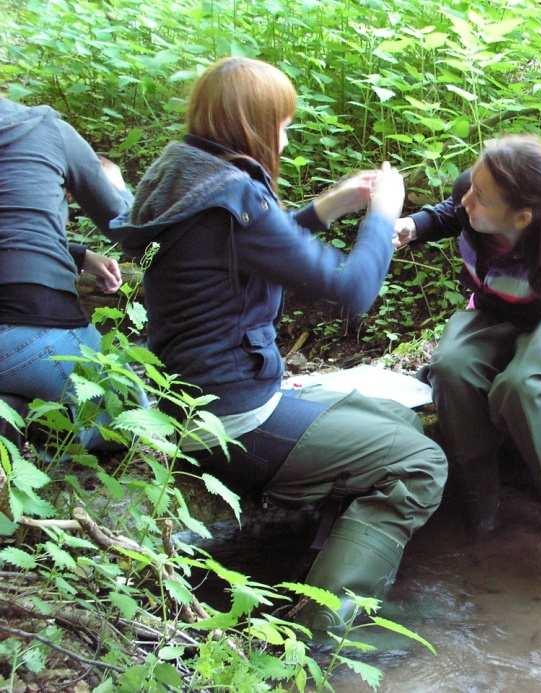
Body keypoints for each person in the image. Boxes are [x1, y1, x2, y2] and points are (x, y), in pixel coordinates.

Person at [109, 57, 446, 632]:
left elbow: (244, 248)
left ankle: (317, 560)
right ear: (253, 125)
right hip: (229, 415)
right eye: (283, 125)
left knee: (396, 417)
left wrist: (328, 207)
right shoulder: (236, 195)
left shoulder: (183, 173)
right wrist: (383, 214)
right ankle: (324, 633)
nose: (285, 138)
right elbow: (352, 289)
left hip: (183, 392)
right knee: (421, 463)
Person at [394, 134, 541, 570]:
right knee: (451, 369)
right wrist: (414, 225)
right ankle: (483, 512)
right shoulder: (473, 191)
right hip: (494, 313)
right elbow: (451, 214)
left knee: (522, 386)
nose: (467, 200)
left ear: (522, 217)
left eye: (481, 198)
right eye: (470, 188)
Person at [0, 97, 130, 442]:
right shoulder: (45, 128)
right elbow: (126, 225)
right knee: (132, 417)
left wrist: (78, 254)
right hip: (33, 327)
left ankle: (14, 411)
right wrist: (115, 184)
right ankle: (32, 419)